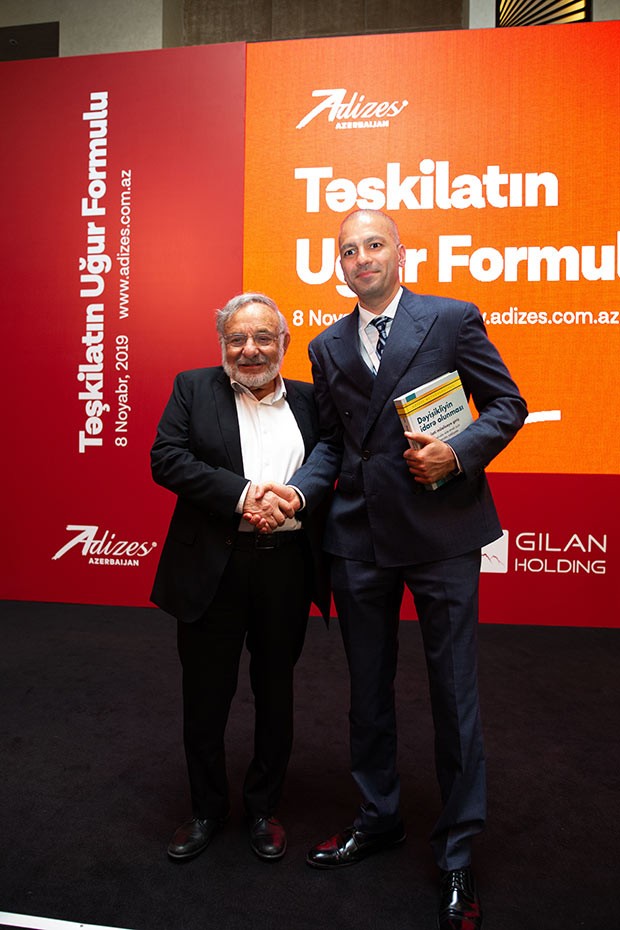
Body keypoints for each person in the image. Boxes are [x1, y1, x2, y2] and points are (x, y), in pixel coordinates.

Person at [289, 210, 528, 930]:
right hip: (356, 536)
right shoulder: (325, 345)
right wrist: (299, 491)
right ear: (338, 266)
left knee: (454, 694)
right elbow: (332, 443)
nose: (361, 257)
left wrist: (458, 452)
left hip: (442, 530)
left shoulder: (451, 318)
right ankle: (379, 817)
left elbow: (508, 404)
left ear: (401, 254)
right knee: (367, 692)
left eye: (374, 245)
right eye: (348, 250)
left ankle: (457, 851)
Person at [150, 292, 330, 863]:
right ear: (222, 344)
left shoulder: (311, 399)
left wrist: (293, 496)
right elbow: (167, 458)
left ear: (284, 343)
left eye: (263, 338)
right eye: (236, 339)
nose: (249, 349)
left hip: (286, 566)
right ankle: (207, 808)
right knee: (206, 695)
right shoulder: (192, 387)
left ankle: (263, 808)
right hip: (214, 566)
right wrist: (245, 495)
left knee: (276, 691)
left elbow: (330, 456)